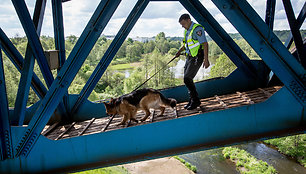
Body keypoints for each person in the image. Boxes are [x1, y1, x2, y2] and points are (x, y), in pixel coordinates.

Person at [175, 14, 210, 110]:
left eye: (183, 23)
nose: (182, 26)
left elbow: (205, 44)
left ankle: (195, 101)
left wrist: (206, 60)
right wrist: (179, 51)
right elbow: (186, 44)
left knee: (187, 78)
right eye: (181, 24)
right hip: (189, 57)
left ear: (189, 20)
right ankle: (192, 99)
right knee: (186, 79)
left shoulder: (197, 29)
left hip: (197, 56)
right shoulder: (186, 31)